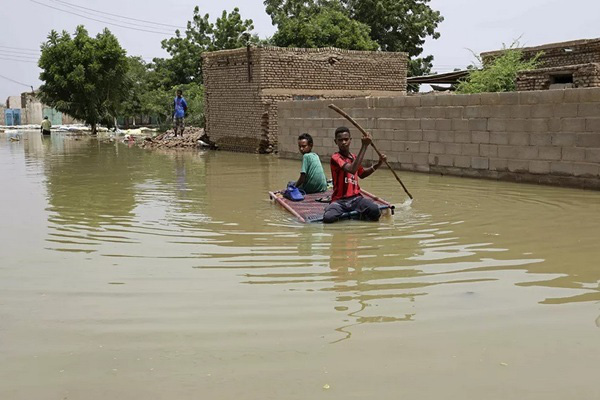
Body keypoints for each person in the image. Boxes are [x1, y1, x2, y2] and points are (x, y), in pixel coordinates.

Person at [323, 126, 386, 223]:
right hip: (339, 201)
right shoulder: (335, 157)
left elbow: (362, 174)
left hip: (356, 199)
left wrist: (378, 164)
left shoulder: (354, 157)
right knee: (328, 218)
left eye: (346, 139)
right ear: (336, 142)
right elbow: (352, 169)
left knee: (374, 210)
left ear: (350, 140)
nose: (343, 142)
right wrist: (364, 146)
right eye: (340, 140)